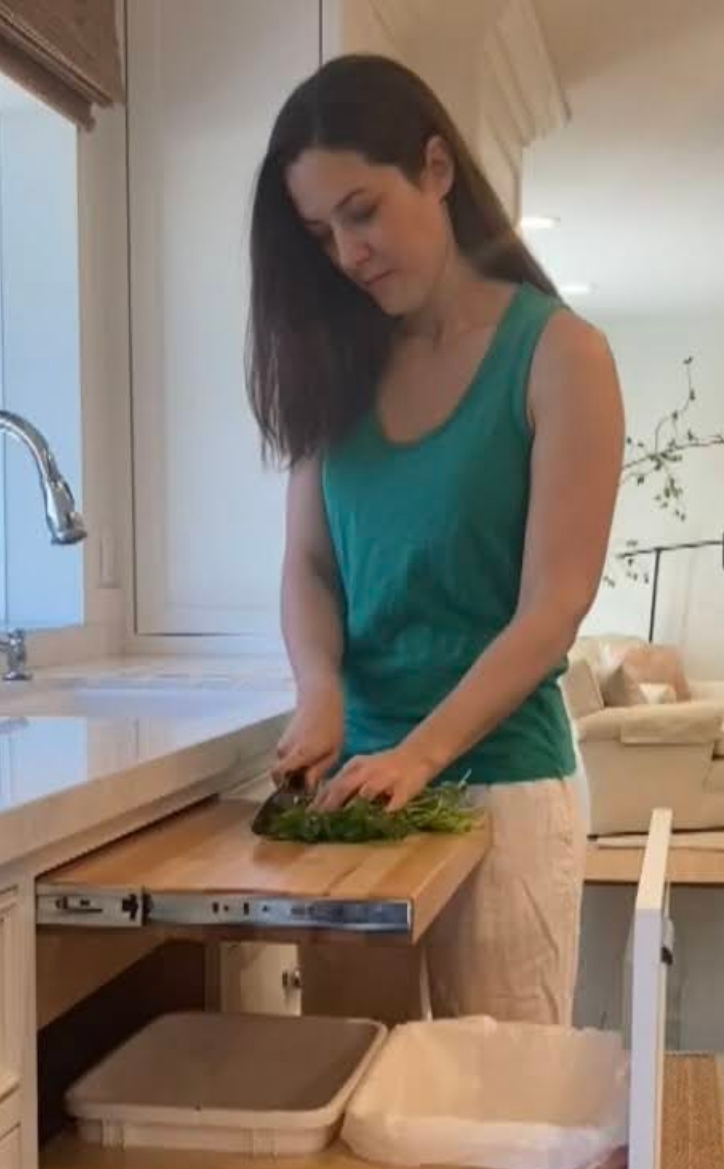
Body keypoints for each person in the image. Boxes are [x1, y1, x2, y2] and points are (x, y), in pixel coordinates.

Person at [247, 54, 624, 1025]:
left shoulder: (560, 355)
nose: (348, 253)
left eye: (362, 212)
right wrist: (319, 690)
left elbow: (554, 607)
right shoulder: (337, 362)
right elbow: (310, 565)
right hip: (355, 792)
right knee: (352, 1080)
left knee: (497, 1094)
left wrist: (420, 756)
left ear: (437, 168)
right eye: (321, 234)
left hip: (502, 787)